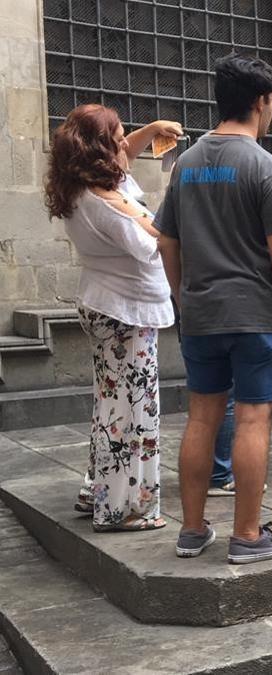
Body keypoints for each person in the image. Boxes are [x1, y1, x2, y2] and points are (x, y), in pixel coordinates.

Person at [158, 53, 272, 563]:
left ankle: (193, 529)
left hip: (200, 314)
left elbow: (166, 243)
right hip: (254, 315)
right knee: (251, 421)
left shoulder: (187, 164)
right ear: (261, 102)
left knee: (201, 418)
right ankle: (246, 535)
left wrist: (184, 298)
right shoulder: (266, 169)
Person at [44, 104, 174, 531]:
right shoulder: (107, 203)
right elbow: (149, 242)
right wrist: (169, 214)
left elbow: (127, 153)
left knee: (111, 406)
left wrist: (151, 129)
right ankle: (123, 509)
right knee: (133, 413)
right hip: (125, 313)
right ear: (100, 149)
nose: (125, 142)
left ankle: (97, 490)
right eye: (116, 136)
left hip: (109, 305)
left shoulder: (83, 184)